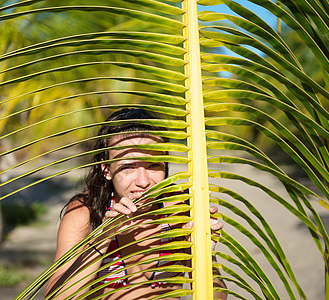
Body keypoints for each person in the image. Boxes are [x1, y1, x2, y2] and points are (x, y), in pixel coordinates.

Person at [45, 108, 227, 299]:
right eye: (129, 167)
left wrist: (204, 254)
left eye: (153, 165)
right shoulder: (85, 214)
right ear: (106, 168)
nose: (143, 181)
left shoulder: (181, 210)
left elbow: (218, 296)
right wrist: (103, 237)